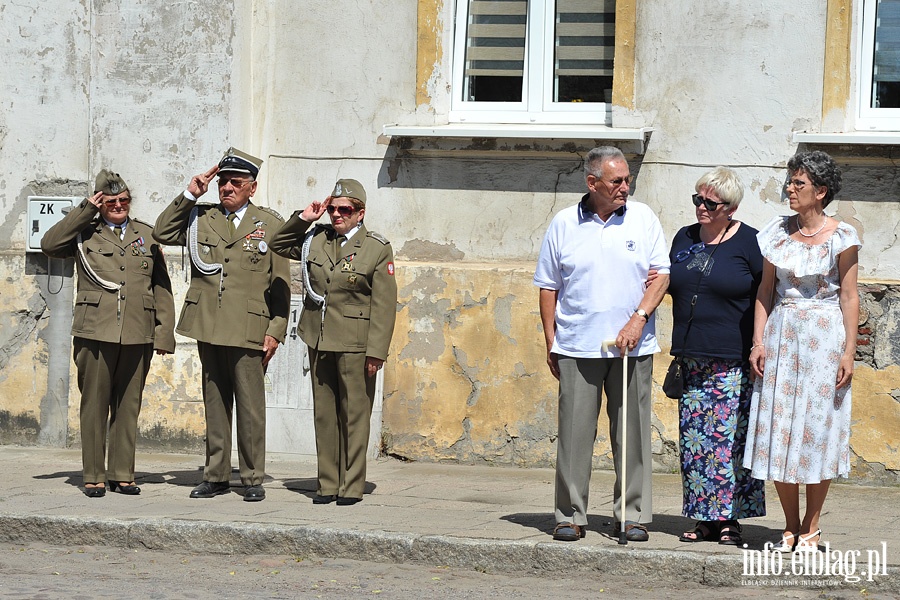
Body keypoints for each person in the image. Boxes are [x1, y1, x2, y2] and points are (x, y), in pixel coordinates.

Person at [534, 146, 670, 542]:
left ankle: (632, 515)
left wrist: (638, 318)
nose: (625, 187)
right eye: (616, 181)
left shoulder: (643, 218)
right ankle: (569, 514)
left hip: (633, 347)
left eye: (627, 179)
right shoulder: (563, 223)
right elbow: (548, 285)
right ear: (592, 183)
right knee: (574, 435)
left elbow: (661, 275)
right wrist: (550, 340)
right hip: (578, 345)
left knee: (632, 435)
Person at [153, 148, 290, 502]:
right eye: (223, 181)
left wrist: (275, 330)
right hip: (209, 324)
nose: (227, 187)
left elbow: (280, 283)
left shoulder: (269, 225)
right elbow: (163, 232)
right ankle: (215, 475)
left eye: (235, 182)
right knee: (214, 402)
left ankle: (251, 477)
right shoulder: (201, 217)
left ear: (251, 188)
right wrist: (190, 194)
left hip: (248, 325)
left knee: (249, 405)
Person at [744, 150, 860, 552]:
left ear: (821, 191)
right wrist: (758, 342)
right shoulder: (775, 232)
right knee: (780, 429)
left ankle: (811, 525)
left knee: (818, 431)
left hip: (825, 341)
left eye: (799, 184)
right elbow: (764, 291)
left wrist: (848, 352)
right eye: (790, 182)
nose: (790, 189)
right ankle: (789, 525)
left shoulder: (843, 236)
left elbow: (849, 295)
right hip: (781, 336)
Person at [41, 170, 175, 497]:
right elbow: (49, 244)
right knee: (95, 405)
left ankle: (122, 473)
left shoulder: (146, 234)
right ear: (100, 202)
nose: (118, 205)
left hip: (137, 331)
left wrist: (163, 334)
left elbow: (161, 286)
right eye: (110, 201)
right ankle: (94, 475)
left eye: (124, 200)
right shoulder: (83, 233)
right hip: (95, 332)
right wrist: (85, 210)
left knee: (128, 405)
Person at [269, 179, 397, 505]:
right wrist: (305, 218)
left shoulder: (377, 249)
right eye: (333, 209)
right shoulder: (317, 239)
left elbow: (383, 306)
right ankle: (327, 483)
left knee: (354, 414)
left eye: (345, 210)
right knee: (325, 416)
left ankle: (352, 485)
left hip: (355, 344)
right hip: (319, 338)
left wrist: (376, 352)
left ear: (360, 213)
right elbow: (278, 244)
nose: (337, 215)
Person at [668, 167, 766, 545]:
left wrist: (760, 343)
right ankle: (703, 518)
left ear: (732, 206)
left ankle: (730, 520)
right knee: (696, 442)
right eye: (698, 199)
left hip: (733, 357)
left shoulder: (750, 243)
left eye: (711, 202)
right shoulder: (684, 237)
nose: (702, 207)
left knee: (729, 442)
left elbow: (765, 295)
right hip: (691, 356)